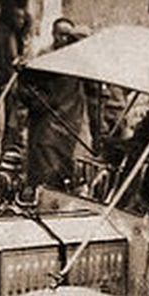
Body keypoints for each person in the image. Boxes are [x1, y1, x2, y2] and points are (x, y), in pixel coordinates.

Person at [23, 18, 99, 188]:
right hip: (47, 122)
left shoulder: (81, 63)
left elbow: (94, 94)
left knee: (67, 168)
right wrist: (38, 103)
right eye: (61, 35)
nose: (63, 40)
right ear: (53, 34)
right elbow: (28, 85)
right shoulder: (45, 57)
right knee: (44, 166)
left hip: (71, 121)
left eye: (68, 37)